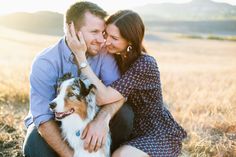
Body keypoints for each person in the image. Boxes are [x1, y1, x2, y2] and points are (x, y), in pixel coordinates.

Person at [66, 10, 187, 157]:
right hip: (127, 127)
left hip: (154, 131)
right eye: (106, 35)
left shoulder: (145, 64)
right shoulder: (117, 56)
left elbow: (102, 97)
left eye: (114, 38)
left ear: (130, 40)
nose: (106, 41)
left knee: (120, 155)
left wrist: (81, 58)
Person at [23, 2, 134, 157]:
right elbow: (43, 118)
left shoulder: (103, 53)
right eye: (94, 32)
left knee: (125, 116)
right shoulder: (45, 62)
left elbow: (119, 93)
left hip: (90, 118)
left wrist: (101, 121)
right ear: (72, 30)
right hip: (55, 120)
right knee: (34, 146)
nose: (102, 40)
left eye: (102, 32)